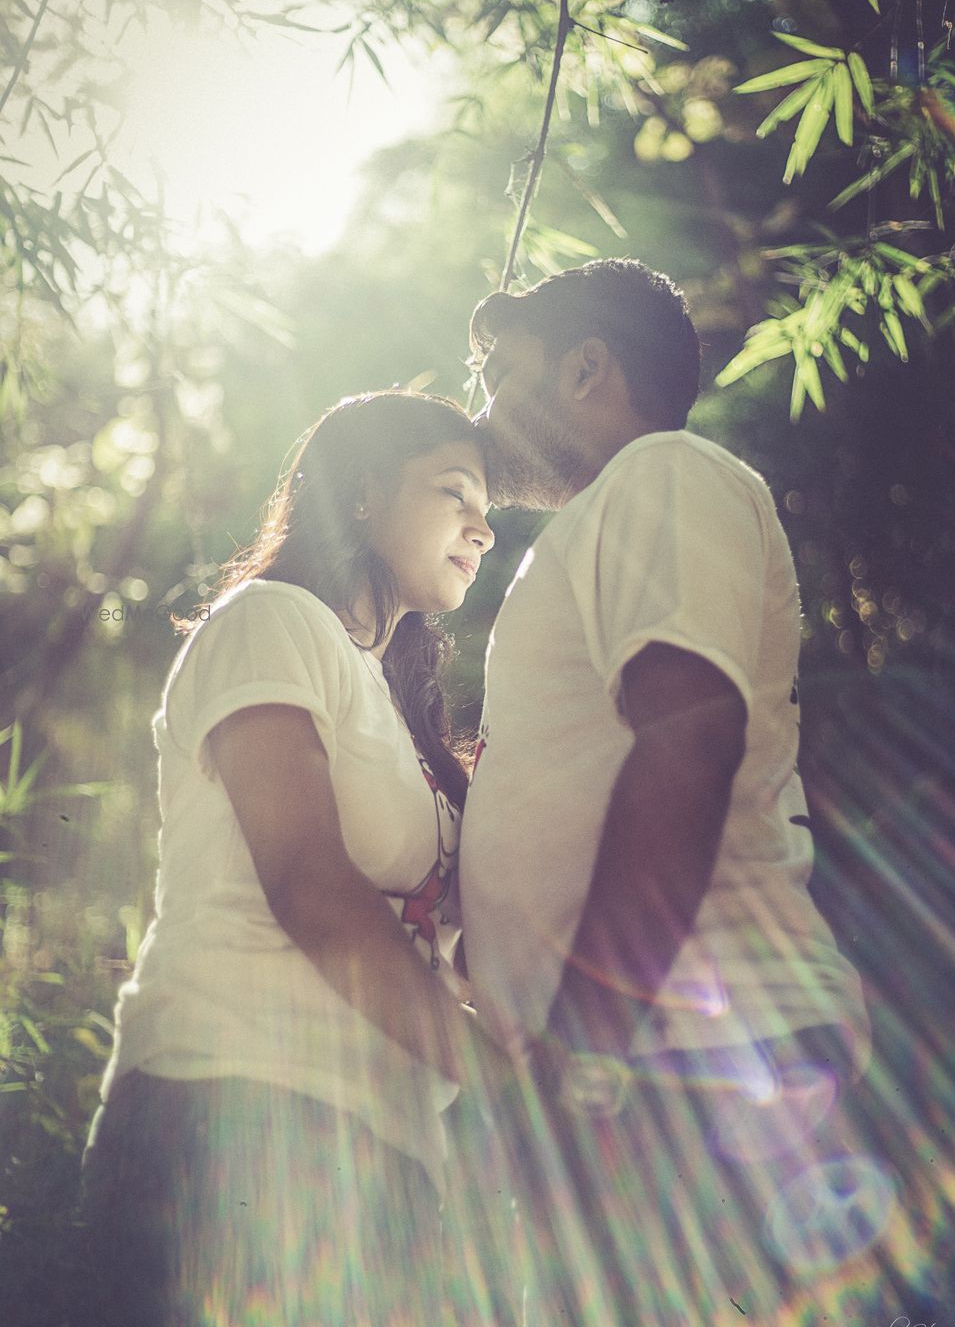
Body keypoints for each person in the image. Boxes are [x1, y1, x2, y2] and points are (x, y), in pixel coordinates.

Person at [457, 260, 897, 1323]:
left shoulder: (661, 474)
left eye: (496, 372)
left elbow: (688, 742)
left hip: (687, 1061)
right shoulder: (611, 515)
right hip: (661, 1061)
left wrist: (585, 1048)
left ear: (587, 366)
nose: (480, 408)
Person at [81, 390, 512, 1327]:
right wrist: (510, 1094)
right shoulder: (270, 622)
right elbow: (312, 891)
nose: (482, 525)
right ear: (361, 494)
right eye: (453, 491)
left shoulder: (402, 717)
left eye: (487, 507)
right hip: (230, 1116)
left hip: (384, 1151)